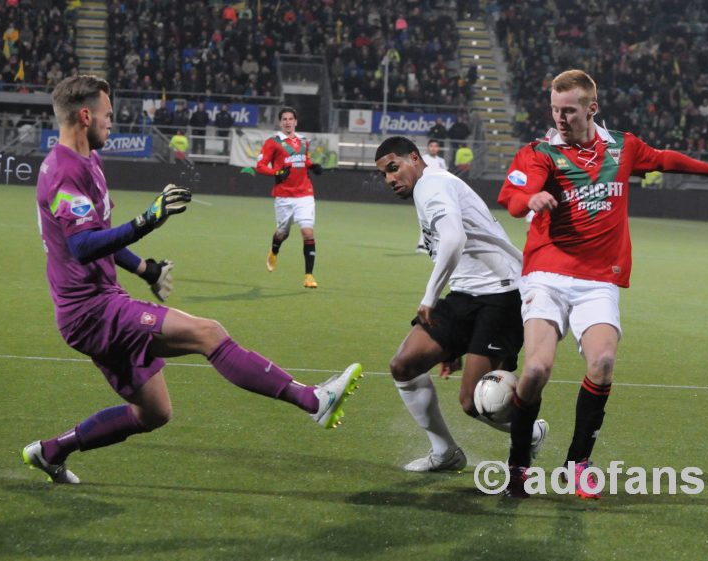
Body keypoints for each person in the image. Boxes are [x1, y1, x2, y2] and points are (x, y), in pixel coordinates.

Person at [22, 75, 362, 485]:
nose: (112, 123)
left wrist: (145, 269)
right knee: (208, 333)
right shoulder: (63, 170)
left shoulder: (88, 161)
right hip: (92, 312)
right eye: (108, 115)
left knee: (154, 413)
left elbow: (98, 235)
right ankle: (312, 400)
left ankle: (51, 450)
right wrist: (148, 220)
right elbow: (82, 245)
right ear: (84, 115)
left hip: (99, 303)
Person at [497, 69, 708, 499]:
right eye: (554, 109)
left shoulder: (622, 146)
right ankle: (518, 463)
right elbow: (514, 196)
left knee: (603, 362)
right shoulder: (539, 153)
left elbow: (664, 158)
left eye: (569, 110)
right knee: (535, 369)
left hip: (597, 280)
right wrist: (528, 200)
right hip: (548, 273)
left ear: (591, 107)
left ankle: (577, 463)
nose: (560, 117)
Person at [375, 136, 548, 473]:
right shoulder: (432, 186)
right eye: (384, 174)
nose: (390, 179)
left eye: (394, 168)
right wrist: (455, 341)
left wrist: (428, 298)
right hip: (466, 294)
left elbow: (455, 239)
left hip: (502, 295)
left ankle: (530, 433)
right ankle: (445, 452)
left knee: (473, 402)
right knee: (404, 365)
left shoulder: (431, 185)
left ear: (414, 157)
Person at [255, 107, 323, 288]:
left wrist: (312, 165)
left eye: (290, 119)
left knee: (307, 231)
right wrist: (276, 172)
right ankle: (274, 250)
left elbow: (302, 159)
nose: (287, 122)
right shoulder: (272, 142)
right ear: (280, 122)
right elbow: (260, 166)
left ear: (296, 122)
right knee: (282, 233)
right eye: (284, 119)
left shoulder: (303, 141)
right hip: (284, 196)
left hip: (304, 194)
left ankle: (309, 275)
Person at [415, 138, 448, 253]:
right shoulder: (423, 159)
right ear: (428, 148)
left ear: (438, 148)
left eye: (435, 146)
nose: (433, 148)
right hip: (425, 193)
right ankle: (422, 245)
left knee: (436, 220)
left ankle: (427, 245)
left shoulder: (441, 161)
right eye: (431, 146)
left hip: (438, 194)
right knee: (425, 219)